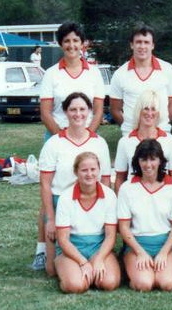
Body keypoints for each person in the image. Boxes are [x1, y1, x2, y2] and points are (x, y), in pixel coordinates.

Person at [38, 92, 111, 276]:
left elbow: (104, 180)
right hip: (60, 204)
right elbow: (45, 184)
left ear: (89, 112)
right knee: (52, 271)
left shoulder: (99, 143)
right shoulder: (54, 144)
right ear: (65, 112)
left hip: (90, 203)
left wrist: (105, 214)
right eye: (73, 110)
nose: (78, 114)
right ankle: (57, 257)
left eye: (82, 109)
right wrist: (51, 219)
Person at [118, 139, 172, 291]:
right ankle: (132, 269)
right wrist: (140, 252)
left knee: (168, 284)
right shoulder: (127, 188)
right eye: (143, 159)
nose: (148, 165)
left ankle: (166, 265)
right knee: (144, 284)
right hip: (137, 244)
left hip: (166, 243)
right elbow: (124, 227)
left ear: (160, 160)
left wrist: (164, 252)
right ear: (137, 161)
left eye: (153, 159)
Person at [55, 152, 120, 293]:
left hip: (98, 246)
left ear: (99, 170)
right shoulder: (65, 198)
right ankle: (69, 270)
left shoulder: (109, 195)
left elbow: (110, 236)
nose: (89, 174)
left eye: (93, 169)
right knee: (76, 286)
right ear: (76, 172)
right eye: (84, 170)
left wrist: (99, 259)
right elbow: (63, 239)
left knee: (109, 283)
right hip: (72, 248)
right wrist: (83, 262)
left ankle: (91, 269)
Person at [110, 23, 172, 136]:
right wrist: (132, 127)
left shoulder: (167, 70)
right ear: (132, 45)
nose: (142, 46)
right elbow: (115, 109)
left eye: (146, 42)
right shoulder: (120, 74)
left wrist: (159, 125)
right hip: (131, 135)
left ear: (152, 45)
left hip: (161, 134)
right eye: (138, 42)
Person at [40, 22, 105, 137]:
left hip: (88, 136)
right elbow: (45, 113)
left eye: (75, 40)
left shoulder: (95, 73)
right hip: (57, 136)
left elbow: (98, 112)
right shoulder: (50, 74)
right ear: (60, 44)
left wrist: (88, 136)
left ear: (82, 44)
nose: (71, 45)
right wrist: (62, 138)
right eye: (66, 41)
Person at [114, 90, 172, 193]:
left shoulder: (170, 141)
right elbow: (119, 178)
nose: (150, 113)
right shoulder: (125, 142)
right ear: (139, 111)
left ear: (158, 113)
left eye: (153, 109)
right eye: (146, 109)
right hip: (133, 197)